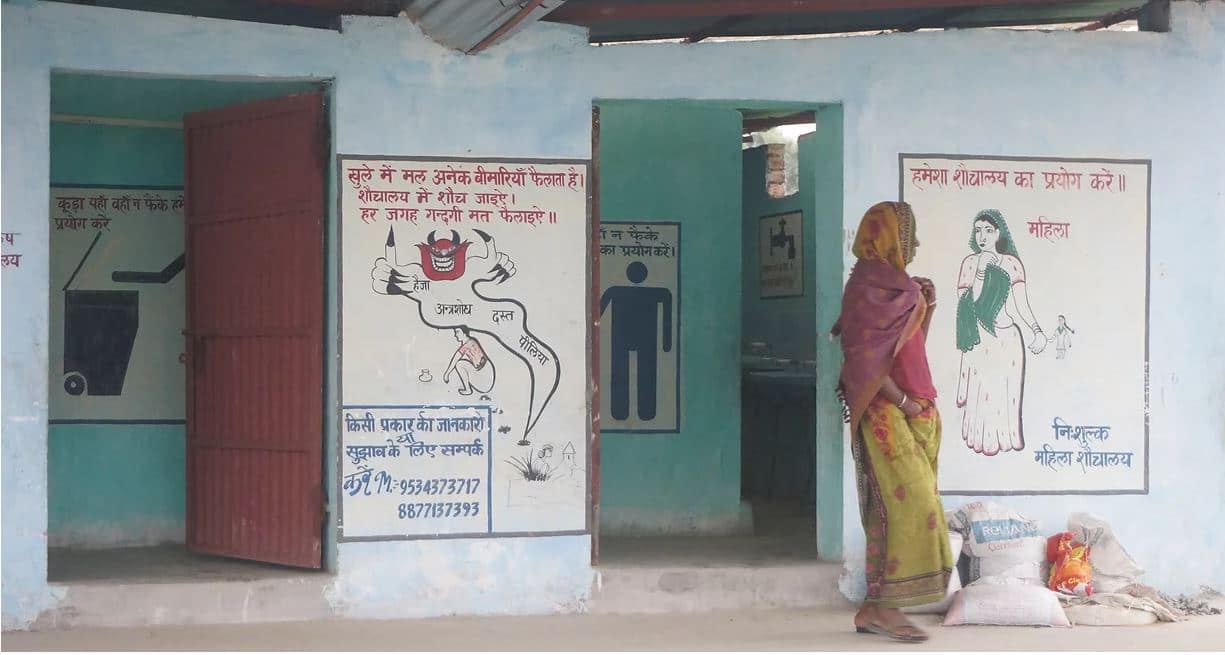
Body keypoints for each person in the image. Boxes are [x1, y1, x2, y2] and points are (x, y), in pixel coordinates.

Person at [832, 201, 953, 642]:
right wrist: (904, 403)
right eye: (908, 236)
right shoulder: (865, 288)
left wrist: (926, 308)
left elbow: (904, 350)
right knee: (906, 505)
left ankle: (874, 609)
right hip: (886, 413)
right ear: (886, 238)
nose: (915, 244)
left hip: (915, 409)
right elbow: (864, 362)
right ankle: (885, 607)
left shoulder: (901, 287)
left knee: (904, 507)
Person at [954, 209, 1046, 456]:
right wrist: (981, 271)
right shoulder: (970, 263)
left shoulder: (1011, 264)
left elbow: (1021, 304)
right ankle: (981, 442)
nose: (982, 236)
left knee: (1003, 398)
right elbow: (967, 305)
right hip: (980, 340)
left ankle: (1004, 440)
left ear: (998, 233)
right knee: (982, 398)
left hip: (1008, 340)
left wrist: (1036, 331)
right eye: (977, 230)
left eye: (988, 230)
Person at [443, 327, 495, 396]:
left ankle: (468, 390)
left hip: (485, 380)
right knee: (462, 363)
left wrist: (447, 374)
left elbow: (455, 358)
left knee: (459, 364)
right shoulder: (471, 341)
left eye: (457, 332)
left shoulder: (468, 344)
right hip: (487, 375)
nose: (455, 335)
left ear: (464, 333)